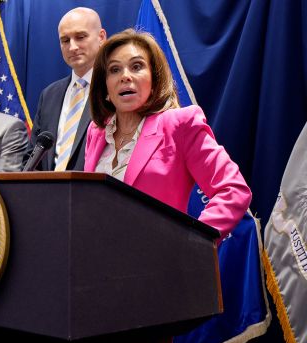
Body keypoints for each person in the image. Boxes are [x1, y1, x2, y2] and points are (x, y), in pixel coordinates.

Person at [84, 29, 251, 239]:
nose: (125, 76)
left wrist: (193, 243)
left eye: (136, 66)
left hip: (160, 265)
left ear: (154, 80)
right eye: (114, 69)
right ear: (105, 87)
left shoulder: (180, 124)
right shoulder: (96, 132)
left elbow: (233, 190)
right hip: (97, 262)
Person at [26, 7, 106, 171]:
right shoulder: (49, 94)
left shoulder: (115, 90)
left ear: (101, 37)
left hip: (95, 193)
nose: (72, 47)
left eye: (80, 37)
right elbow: (33, 156)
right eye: (65, 40)